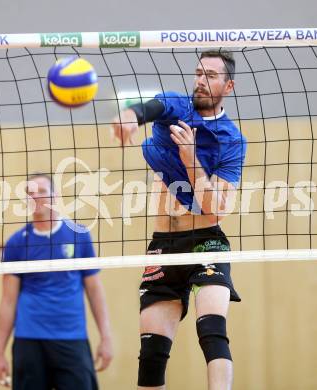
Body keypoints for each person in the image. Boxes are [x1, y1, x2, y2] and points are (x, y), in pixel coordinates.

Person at [112, 50, 247, 390]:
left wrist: (191, 160)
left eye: (211, 76)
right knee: (152, 355)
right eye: (199, 73)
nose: (201, 80)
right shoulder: (177, 106)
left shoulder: (231, 140)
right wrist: (130, 115)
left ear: (228, 86)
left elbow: (213, 208)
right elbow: (150, 109)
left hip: (207, 242)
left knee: (212, 329)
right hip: (164, 247)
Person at [0, 173, 113, 390]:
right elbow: (8, 301)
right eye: (30, 193)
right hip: (29, 339)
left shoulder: (79, 236)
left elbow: (95, 291)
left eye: (41, 192)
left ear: (55, 196)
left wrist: (106, 337)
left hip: (71, 336)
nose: (35, 197)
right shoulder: (16, 243)